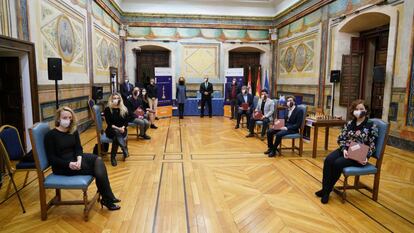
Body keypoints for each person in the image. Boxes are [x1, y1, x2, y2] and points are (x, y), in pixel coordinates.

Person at [44, 107, 120, 210]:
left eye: (70, 118)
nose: (68, 120)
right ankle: (107, 198)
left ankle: (107, 197)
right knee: (96, 170)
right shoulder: (50, 135)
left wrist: (79, 159)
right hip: (62, 166)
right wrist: (69, 164)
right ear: (58, 119)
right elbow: (52, 158)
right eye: (65, 117)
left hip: (76, 159)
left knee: (98, 160)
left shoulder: (73, 131)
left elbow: (78, 148)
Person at [316, 99, 378, 204]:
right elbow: (341, 138)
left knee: (337, 163)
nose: (358, 111)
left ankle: (327, 191)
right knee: (328, 160)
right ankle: (325, 188)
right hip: (346, 149)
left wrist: (366, 157)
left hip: (359, 154)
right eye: (356, 109)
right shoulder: (349, 123)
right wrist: (344, 149)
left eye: (361, 109)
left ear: (366, 110)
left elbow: (373, 144)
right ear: (353, 111)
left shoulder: (371, 125)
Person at [104, 93, 129, 167]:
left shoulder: (124, 109)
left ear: (120, 99)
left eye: (117, 98)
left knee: (116, 138)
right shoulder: (107, 109)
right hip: (111, 129)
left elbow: (126, 121)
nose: (115, 100)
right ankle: (124, 148)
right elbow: (109, 123)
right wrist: (118, 128)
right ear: (111, 100)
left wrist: (123, 128)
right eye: (114, 98)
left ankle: (113, 157)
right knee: (116, 133)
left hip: (122, 129)